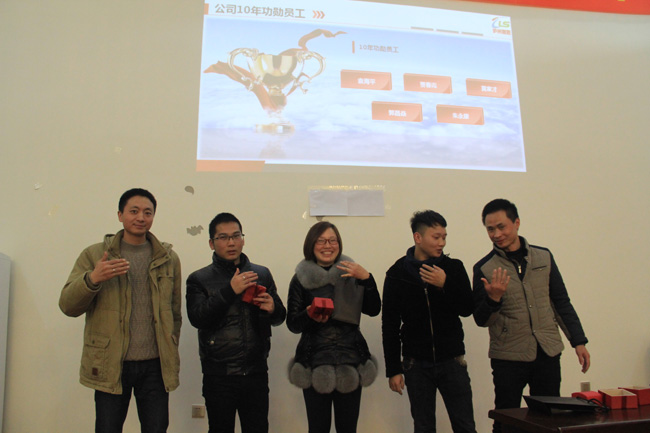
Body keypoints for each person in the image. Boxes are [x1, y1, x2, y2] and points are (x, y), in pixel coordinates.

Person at [59, 188, 182, 433]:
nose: (141, 217)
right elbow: (68, 306)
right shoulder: (95, 255)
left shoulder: (168, 258)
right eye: (133, 211)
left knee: (157, 427)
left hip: (156, 365)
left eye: (147, 212)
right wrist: (93, 278)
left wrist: (170, 342)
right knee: (108, 428)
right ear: (120, 215)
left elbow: (175, 312)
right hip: (112, 363)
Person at [473, 199, 590, 433]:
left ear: (516, 223)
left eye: (501, 227)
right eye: (490, 229)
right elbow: (481, 320)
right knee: (506, 421)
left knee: (548, 420)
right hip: (508, 356)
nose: (496, 234)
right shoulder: (484, 268)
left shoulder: (543, 257)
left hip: (547, 351)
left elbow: (560, 301)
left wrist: (578, 341)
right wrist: (493, 299)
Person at [185, 212, 286, 433]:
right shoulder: (199, 279)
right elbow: (197, 318)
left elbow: (280, 317)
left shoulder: (261, 274)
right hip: (219, 375)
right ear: (211, 243)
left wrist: (273, 308)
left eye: (236, 236)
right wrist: (230, 290)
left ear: (243, 239)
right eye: (223, 237)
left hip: (256, 372)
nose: (231, 242)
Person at [382, 210, 477, 433]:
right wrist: (393, 369)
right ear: (418, 237)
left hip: (452, 361)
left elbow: (467, 309)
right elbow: (390, 324)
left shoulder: (453, 267)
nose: (442, 242)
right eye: (436, 237)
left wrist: (445, 284)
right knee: (423, 426)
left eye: (444, 237)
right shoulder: (397, 273)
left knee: (465, 425)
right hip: (416, 364)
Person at [286, 221, 381, 433]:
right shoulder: (300, 279)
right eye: (321, 241)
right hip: (315, 362)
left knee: (348, 428)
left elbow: (374, 309)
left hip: (350, 360)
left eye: (332, 240)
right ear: (311, 245)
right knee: (317, 428)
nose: (327, 245)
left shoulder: (352, 272)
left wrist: (367, 279)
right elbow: (292, 323)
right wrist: (309, 314)